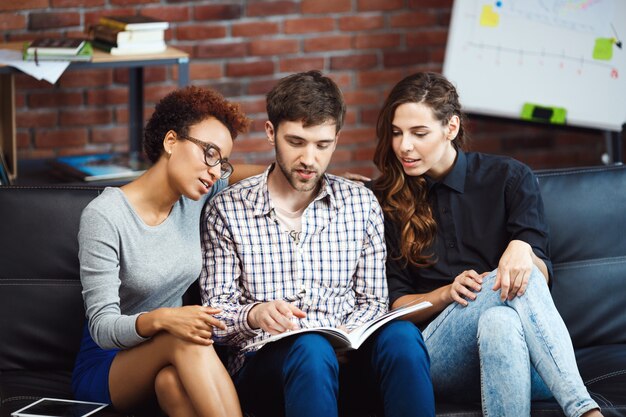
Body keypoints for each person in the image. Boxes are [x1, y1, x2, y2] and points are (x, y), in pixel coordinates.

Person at [200, 70, 435, 417]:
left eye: (322, 145)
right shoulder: (227, 210)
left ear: (336, 140)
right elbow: (216, 315)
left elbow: (373, 301)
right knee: (311, 348)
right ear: (271, 133)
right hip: (268, 366)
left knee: (402, 337)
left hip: (348, 357)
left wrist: (347, 332)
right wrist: (255, 314)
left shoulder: (360, 203)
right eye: (296, 142)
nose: (309, 159)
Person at [371, 71, 602, 417]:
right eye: (397, 133)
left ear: (451, 128)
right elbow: (397, 305)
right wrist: (446, 294)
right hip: (437, 359)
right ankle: (585, 411)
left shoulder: (509, 177)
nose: (404, 146)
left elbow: (538, 277)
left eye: (419, 133)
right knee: (501, 286)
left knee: (500, 322)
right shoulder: (384, 201)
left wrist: (522, 248)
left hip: (524, 356)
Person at [72, 86, 249, 417]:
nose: (215, 170)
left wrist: (313, 174)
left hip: (171, 358)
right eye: (209, 153)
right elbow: (102, 326)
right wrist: (165, 319)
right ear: (171, 141)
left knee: (171, 384)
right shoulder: (105, 215)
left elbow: (254, 176)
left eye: (222, 162)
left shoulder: (196, 195)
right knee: (184, 337)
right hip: (109, 365)